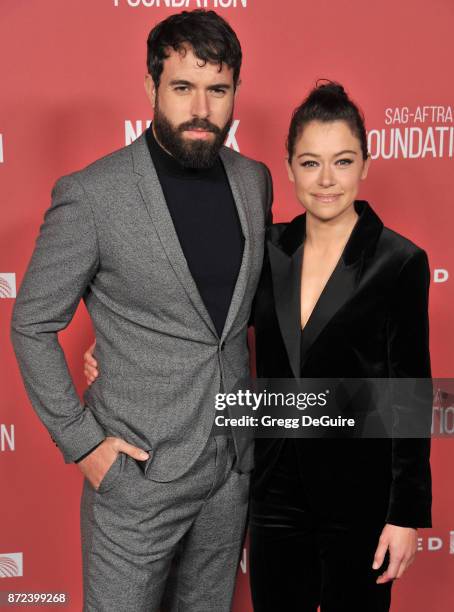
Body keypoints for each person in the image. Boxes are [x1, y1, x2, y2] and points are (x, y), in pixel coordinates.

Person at [11, 10, 272, 612]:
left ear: (235, 93)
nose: (201, 108)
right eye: (183, 88)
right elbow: (31, 323)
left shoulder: (253, 181)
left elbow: (223, 320)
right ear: (151, 88)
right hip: (136, 476)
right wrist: (85, 447)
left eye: (218, 89)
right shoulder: (94, 193)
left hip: (229, 469)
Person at [248, 82, 432, 611]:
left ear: (365, 165)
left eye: (342, 161)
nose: (326, 180)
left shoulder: (399, 261)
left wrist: (405, 515)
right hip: (275, 493)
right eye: (310, 163)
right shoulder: (265, 252)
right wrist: (110, 355)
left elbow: (410, 394)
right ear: (288, 168)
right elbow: (206, 331)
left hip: (362, 499)